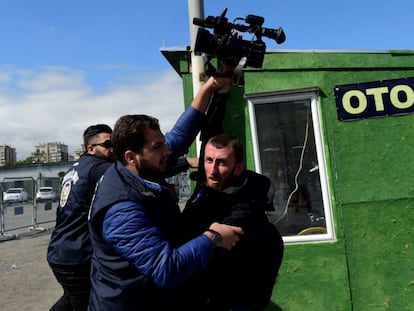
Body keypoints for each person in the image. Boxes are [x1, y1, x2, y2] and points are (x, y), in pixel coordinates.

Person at [87, 76, 244, 311]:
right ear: (131, 156)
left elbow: (181, 134)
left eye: (163, 143)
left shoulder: (138, 167)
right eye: (158, 147)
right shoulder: (121, 210)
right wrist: (213, 238)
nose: (168, 151)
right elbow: (165, 268)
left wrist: (210, 86)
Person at [181, 134, 285, 311]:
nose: (212, 170)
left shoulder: (247, 205)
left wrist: (209, 235)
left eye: (221, 163)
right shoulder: (209, 189)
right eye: (208, 160)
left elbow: (221, 240)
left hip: (235, 299)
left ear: (238, 168)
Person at [47, 124, 116, 311]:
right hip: (76, 256)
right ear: (91, 149)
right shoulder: (98, 169)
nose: (113, 148)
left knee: (71, 299)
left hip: (60, 251)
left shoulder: (76, 168)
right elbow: (135, 171)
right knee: (86, 303)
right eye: (108, 144)